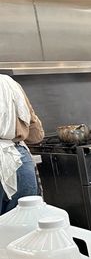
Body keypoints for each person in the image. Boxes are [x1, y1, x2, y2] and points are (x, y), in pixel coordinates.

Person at [0, 75, 43, 214]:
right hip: (18, 160)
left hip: (13, 159)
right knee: (25, 221)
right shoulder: (10, 84)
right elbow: (35, 135)